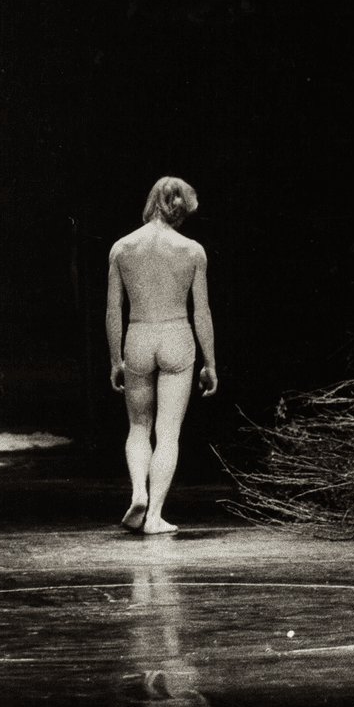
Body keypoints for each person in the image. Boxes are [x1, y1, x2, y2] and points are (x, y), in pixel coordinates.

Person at [106, 177, 218, 535]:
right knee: (167, 432)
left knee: (138, 427)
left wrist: (114, 359)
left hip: (138, 335)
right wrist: (210, 362)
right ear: (181, 209)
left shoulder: (122, 247)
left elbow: (112, 310)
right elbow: (202, 312)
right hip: (176, 337)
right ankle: (153, 515)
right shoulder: (192, 250)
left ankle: (138, 492)